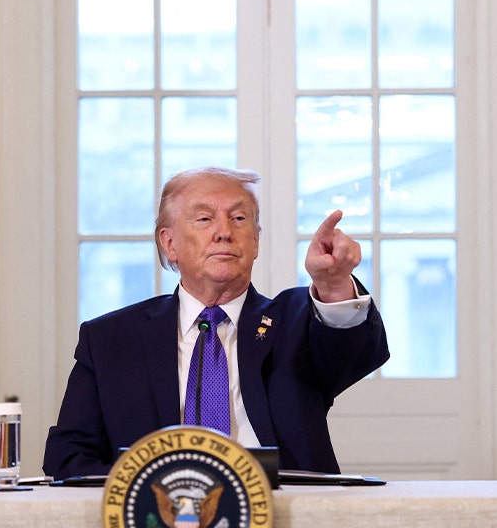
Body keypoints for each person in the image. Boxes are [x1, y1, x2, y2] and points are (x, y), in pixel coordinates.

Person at [43, 166, 390, 478]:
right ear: (169, 243)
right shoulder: (111, 339)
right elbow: (68, 457)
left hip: (284, 510)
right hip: (159, 515)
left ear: (255, 241)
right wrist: (147, 487)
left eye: (239, 218)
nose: (224, 232)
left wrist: (333, 285)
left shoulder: (295, 322)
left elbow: (350, 351)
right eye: (204, 219)